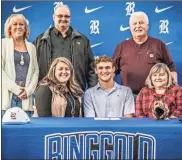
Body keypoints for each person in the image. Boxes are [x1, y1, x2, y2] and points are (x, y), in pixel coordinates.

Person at [33, 2, 97, 91]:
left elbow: (91, 68)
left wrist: (93, 91)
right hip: (48, 91)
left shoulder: (83, 40)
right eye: (60, 16)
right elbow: (31, 68)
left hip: (74, 91)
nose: (63, 19)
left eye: (66, 16)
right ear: (53, 17)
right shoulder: (40, 40)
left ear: (70, 18)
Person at [113, 11, 177, 97]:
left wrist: (173, 92)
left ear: (147, 25)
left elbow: (171, 68)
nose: (138, 26)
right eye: (134, 24)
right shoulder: (121, 46)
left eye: (141, 23)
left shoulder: (158, 44)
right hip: (127, 98)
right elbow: (112, 71)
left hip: (153, 97)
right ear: (130, 27)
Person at [2, 14, 39, 117]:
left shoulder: (31, 47)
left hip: (25, 97)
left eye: (21, 24)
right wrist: (16, 90)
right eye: (15, 24)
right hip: (7, 97)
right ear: (9, 28)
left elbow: (36, 71)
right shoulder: (2, 44)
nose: (18, 26)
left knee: (25, 131)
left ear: (25, 28)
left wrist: (28, 91)